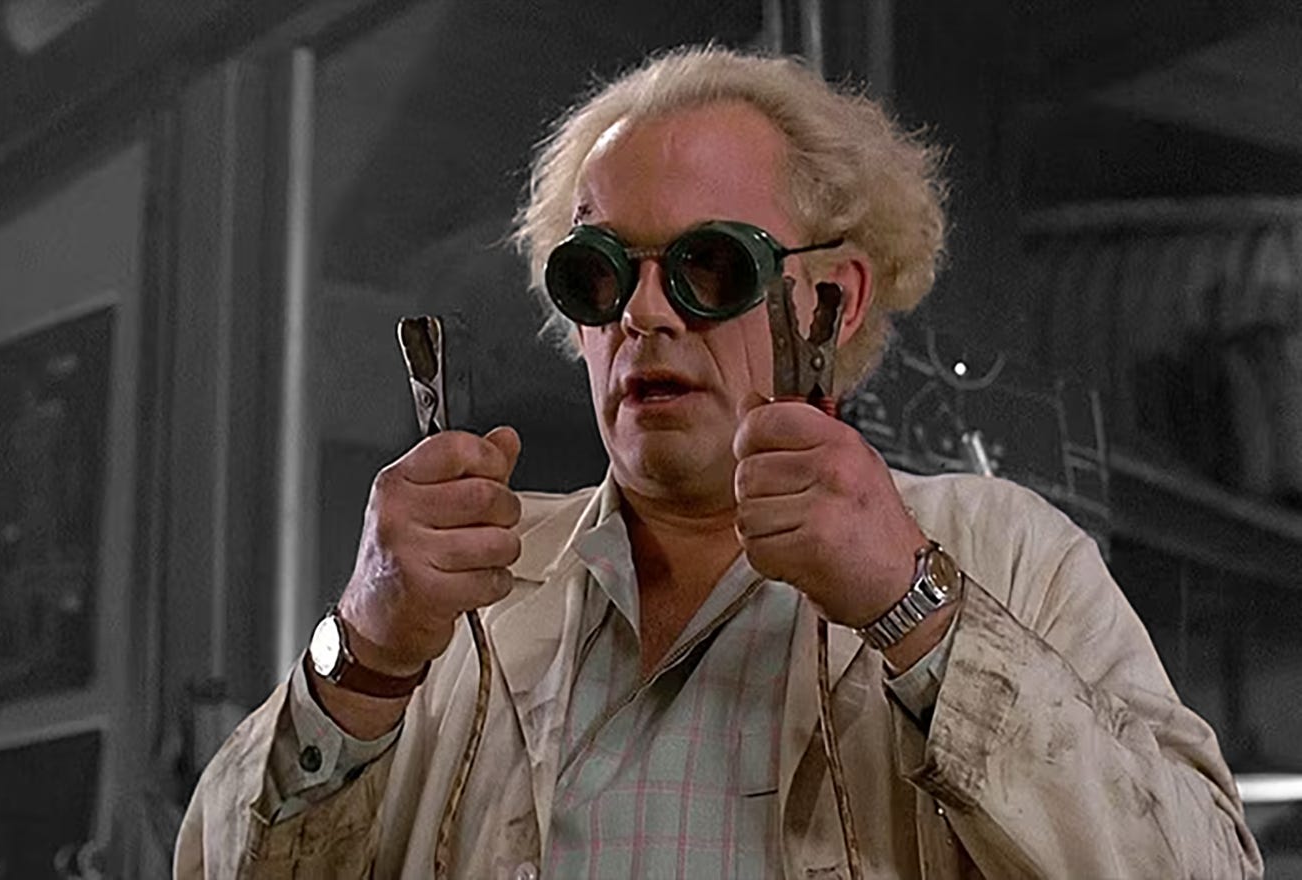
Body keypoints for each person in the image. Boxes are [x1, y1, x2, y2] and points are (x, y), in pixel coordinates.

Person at [174, 46, 1262, 878]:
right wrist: (362, 655)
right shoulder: (465, 602)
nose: (644, 314)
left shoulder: (1000, 554)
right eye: (599, 274)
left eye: (706, 265)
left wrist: (915, 609)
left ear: (830, 299)